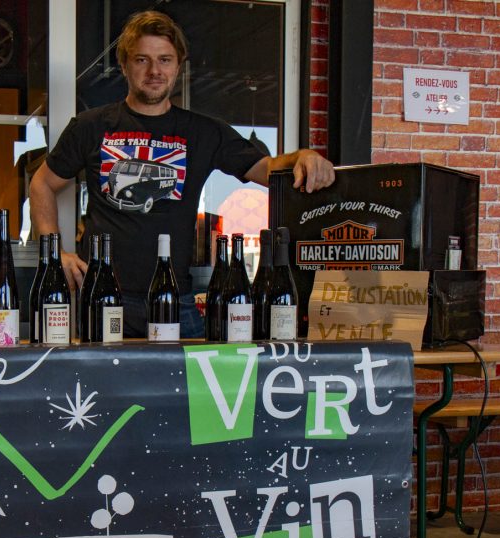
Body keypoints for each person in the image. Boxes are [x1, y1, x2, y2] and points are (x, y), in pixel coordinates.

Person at [28, 10, 335, 338]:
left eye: (165, 60)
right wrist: (55, 255)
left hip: (177, 298)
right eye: (142, 59)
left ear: (178, 66)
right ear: (125, 65)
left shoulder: (203, 132)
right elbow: (42, 183)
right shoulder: (90, 127)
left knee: (196, 373)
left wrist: (303, 156)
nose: (154, 71)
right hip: (102, 297)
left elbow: (268, 169)